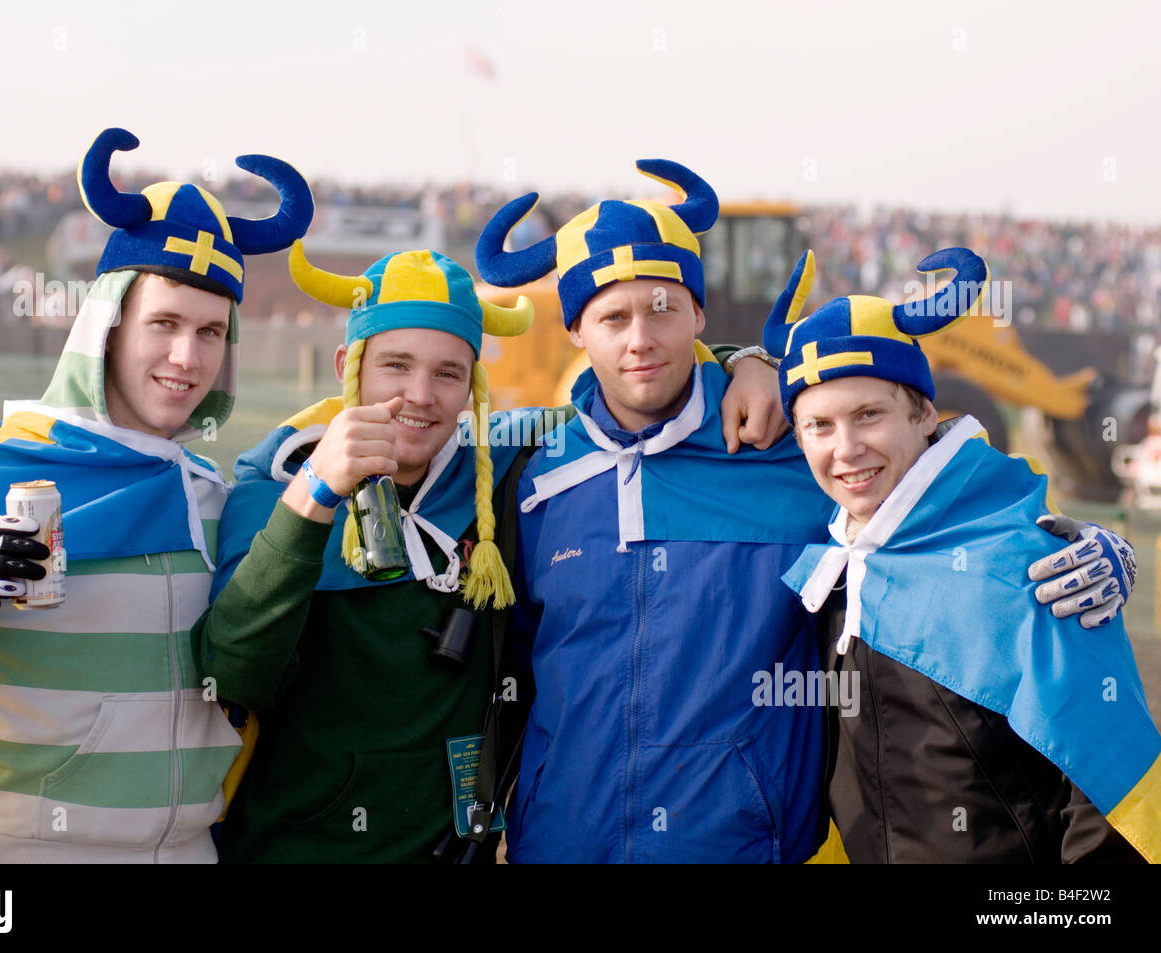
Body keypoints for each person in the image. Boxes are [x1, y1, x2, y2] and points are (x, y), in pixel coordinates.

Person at [476, 162, 1135, 863]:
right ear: (575, 326)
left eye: (664, 308)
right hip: (560, 844)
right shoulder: (530, 474)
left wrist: (1076, 539)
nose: (640, 338)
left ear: (698, 313)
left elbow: (933, 494)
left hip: (740, 849)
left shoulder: (785, 444)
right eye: (613, 315)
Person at [192, 241, 781, 863]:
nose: (420, 395)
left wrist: (743, 362)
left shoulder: (503, 466)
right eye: (396, 365)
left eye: (448, 373)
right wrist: (312, 502)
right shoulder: (274, 489)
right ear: (349, 363)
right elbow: (231, 678)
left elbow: (631, 395)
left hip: (455, 851)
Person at [0, 127, 312, 863]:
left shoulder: (214, 499)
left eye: (209, 331)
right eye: (162, 323)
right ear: (106, 327)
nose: (185, 357)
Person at [771, 247, 1158, 862]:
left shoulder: (1039, 569)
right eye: (818, 425)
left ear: (926, 412)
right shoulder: (829, 573)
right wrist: (743, 363)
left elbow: (1121, 811)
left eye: (868, 415)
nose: (845, 449)